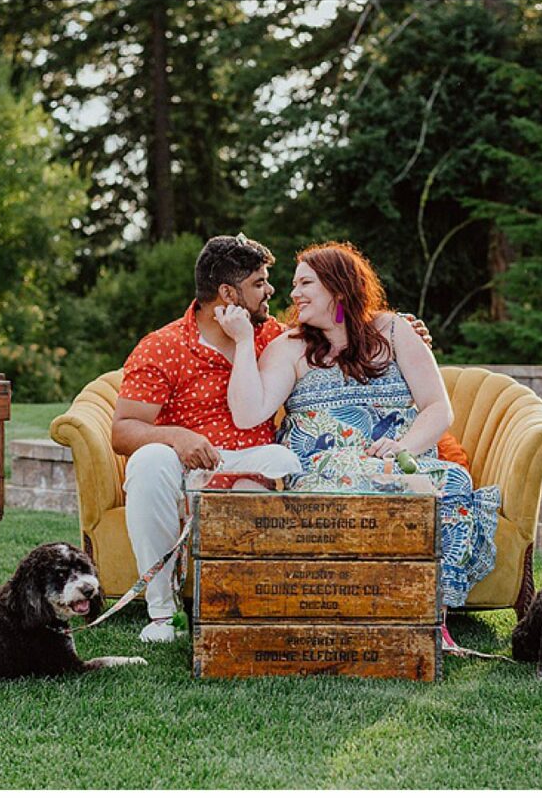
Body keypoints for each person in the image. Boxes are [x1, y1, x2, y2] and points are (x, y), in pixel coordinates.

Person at [111, 233, 448, 644]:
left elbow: (341, 329)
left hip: (253, 459)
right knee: (149, 461)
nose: (274, 290)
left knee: (284, 461)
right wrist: (178, 438)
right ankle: (163, 613)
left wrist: (404, 332)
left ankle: (258, 603)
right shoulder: (163, 347)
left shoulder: (271, 334)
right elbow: (123, 429)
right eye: (259, 283)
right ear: (227, 293)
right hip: (186, 464)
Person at [220, 240, 500, 630]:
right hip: (325, 470)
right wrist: (244, 342)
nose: (293, 294)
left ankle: (432, 611)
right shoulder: (290, 347)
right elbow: (249, 413)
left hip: (402, 461)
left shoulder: (395, 330)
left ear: (338, 286)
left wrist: (403, 447)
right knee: (378, 482)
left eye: (305, 284)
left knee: (452, 479)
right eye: (294, 285)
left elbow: (438, 408)